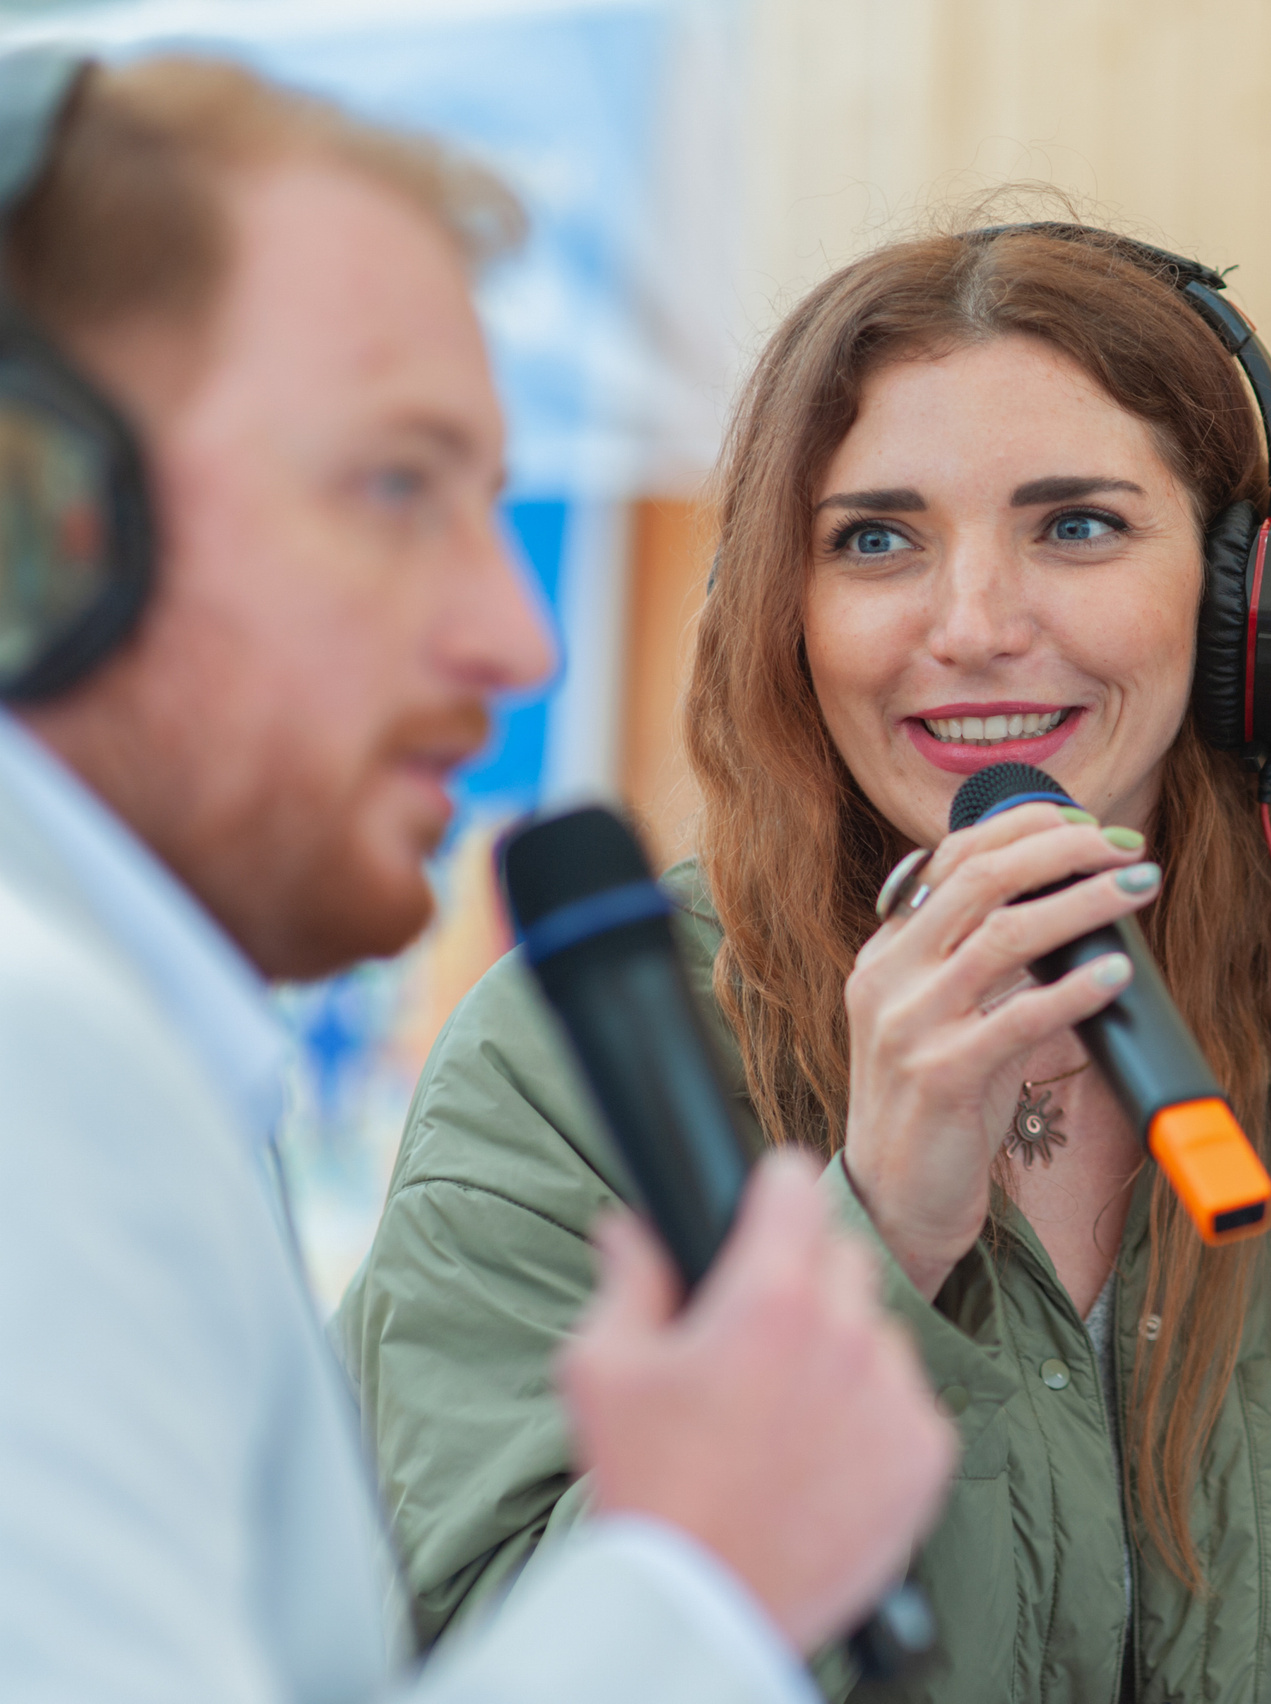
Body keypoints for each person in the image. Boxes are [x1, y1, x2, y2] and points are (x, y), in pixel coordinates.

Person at [333, 222, 1271, 1702]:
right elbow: (487, 1657)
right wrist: (876, 1231)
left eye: (1076, 525)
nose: (976, 628)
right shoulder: (569, 1071)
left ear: (1236, 607)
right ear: (782, 615)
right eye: (877, 539)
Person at [0, 54, 956, 1703]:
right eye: (393, 484)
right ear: (36, 511)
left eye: (492, 505)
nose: (514, 639)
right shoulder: (40, 1064)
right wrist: (700, 1576)